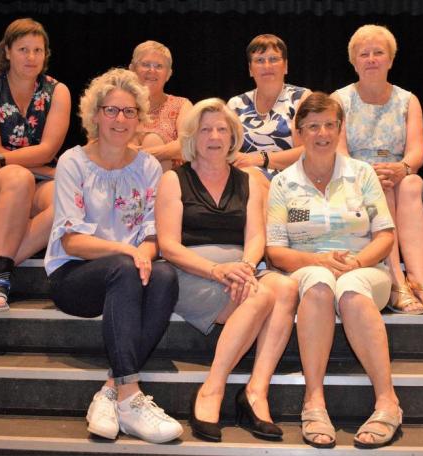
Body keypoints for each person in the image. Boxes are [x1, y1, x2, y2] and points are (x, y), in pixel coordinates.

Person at [44, 68, 182, 443]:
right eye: (111, 110)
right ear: (96, 115)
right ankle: (132, 394)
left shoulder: (148, 166)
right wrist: (129, 251)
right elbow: (72, 242)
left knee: (166, 276)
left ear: (139, 118)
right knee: (125, 267)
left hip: (127, 271)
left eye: (129, 111)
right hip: (75, 278)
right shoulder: (73, 162)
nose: (120, 119)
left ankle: (113, 390)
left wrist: (143, 253)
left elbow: (152, 235)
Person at [155, 98, 299, 442]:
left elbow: (256, 236)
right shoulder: (174, 179)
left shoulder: (248, 180)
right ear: (192, 136)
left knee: (287, 288)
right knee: (261, 296)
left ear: (233, 136)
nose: (215, 136)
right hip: (191, 271)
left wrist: (246, 267)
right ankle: (212, 388)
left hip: (240, 270)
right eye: (206, 129)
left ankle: (256, 391)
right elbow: (168, 246)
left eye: (222, 129)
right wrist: (216, 271)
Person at [267, 92, 402, 449]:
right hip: (308, 267)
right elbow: (275, 251)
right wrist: (318, 261)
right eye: (313, 126)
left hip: (364, 266)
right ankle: (314, 401)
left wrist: (357, 262)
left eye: (330, 125)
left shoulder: (362, 173)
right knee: (320, 282)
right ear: (299, 132)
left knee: (352, 288)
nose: (323, 133)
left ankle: (388, 400)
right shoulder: (282, 183)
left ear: (340, 129)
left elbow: (385, 236)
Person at [333, 24, 423, 316]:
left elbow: (416, 153)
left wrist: (402, 168)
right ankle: (396, 279)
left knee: (413, 183)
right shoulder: (340, 100)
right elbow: (340, 152)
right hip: (354, 178)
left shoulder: (407, 100)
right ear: (354, 62)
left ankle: (420, 280)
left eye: (378, 52)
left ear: (391, 59)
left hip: (398, 174)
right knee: (381, 187)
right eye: (364, 54)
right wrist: (368, 174)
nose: (371, 59)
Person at [0, 18, 70, 312]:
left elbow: (48, 150)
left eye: (37, 50)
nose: (31, 57)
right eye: (23, 49)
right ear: (7, 51)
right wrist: (8, 161)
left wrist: (2, 159)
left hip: (37, 180)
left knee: (67, 202)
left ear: (46, 54)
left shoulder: (57, 91)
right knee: (18, 177)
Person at [227, 34, 311, 180]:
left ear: (285, 66)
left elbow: (309, 151)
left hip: (288, 180)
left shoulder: (301, 98)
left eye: (273, 59)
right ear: (250, 69)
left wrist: (260, 159)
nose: (267, 66)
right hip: (242, 178)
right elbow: (224, 149)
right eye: (259, 60)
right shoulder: (235, 104)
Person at [129, 40, 192, 171]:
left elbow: (188, 145)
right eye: (145, 64)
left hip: (170, 179)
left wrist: (141, 155)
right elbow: (100, 142)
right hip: (122, 177)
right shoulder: (119, 105)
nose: (152, 70)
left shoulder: (181, 105)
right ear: (132, 69)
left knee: (152, 140)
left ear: (168, 74)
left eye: (159, 66)